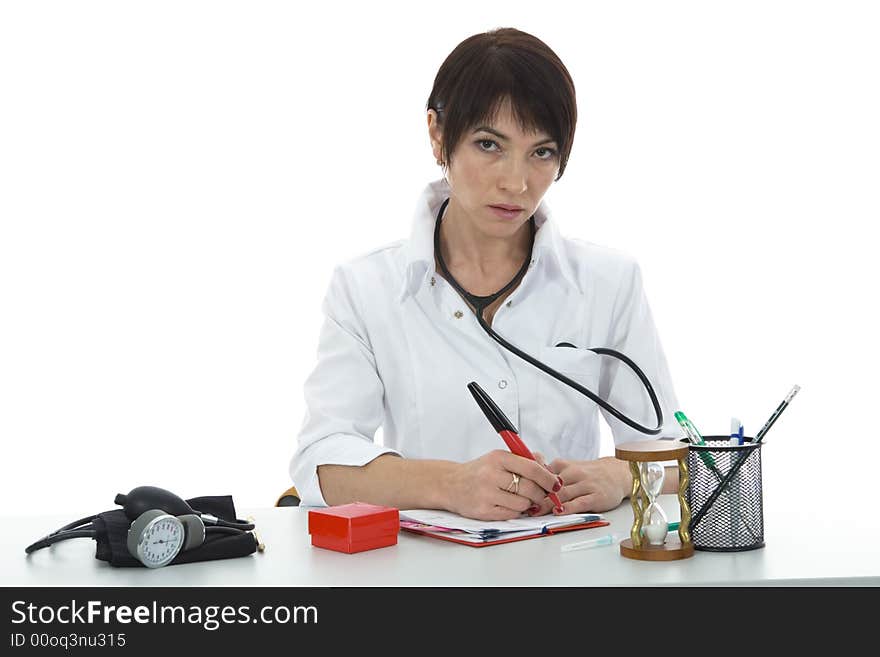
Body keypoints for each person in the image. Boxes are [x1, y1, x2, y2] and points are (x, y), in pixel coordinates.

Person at [289, 27, 682, 521]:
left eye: (541, 152)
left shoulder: (609, 281)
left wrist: (622, 475)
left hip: (571, 569)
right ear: (437, 133)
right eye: (489, 144)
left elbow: (675, 451)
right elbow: (321, 464)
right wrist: (452, 485)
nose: (516, 182)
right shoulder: (365, 288)